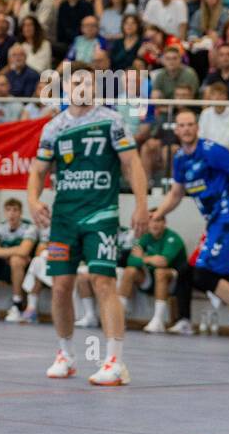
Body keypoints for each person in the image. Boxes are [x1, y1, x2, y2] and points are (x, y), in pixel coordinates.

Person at [27, 66, 149, 386]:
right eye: (76, 81)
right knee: (61, 286)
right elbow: (38, 171)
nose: (82, 86)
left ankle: (115, 361)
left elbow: (132, 164)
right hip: (64, 218)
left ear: (97, 88)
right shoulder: (54, 127)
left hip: (101, 214)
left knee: (102, 281)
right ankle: (65, 355)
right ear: (66, 87)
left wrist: (141, 205)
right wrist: (33, 200)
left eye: (88, 82)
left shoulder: (111, 120)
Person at [149, 108, 229, 357]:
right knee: (212, 276)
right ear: (176, 130)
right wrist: (156, 214)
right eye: (181, 126)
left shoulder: (211, 150)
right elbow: (176, 194)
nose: (185, 129)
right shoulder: (180, 160)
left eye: (190, 125)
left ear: (197, 128)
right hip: (216, 222)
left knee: (204, 274)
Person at [123, 211, 189, 335]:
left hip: (175, 283)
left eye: (158, 220)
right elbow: (130, 260)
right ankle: (120, 316)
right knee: (129, 271)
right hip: (151, 279)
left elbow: (163, 262)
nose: (155, 224)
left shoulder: (172, 238)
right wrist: (150, 259)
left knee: (160, 272)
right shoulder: (145, 237)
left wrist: (143, 258)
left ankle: (158, 320)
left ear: (164, 223)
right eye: (152, 221)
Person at [0, 198, 39, 323]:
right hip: (4, 267)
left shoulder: (29, 228)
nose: (11, 213)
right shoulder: (0, 228)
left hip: (26, 271)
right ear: (4, 212)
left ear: (20, 212)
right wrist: (9, 251)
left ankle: (17, 306)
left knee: (16, 260)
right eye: (8, 210)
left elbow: (24, 251)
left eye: (15, 210)